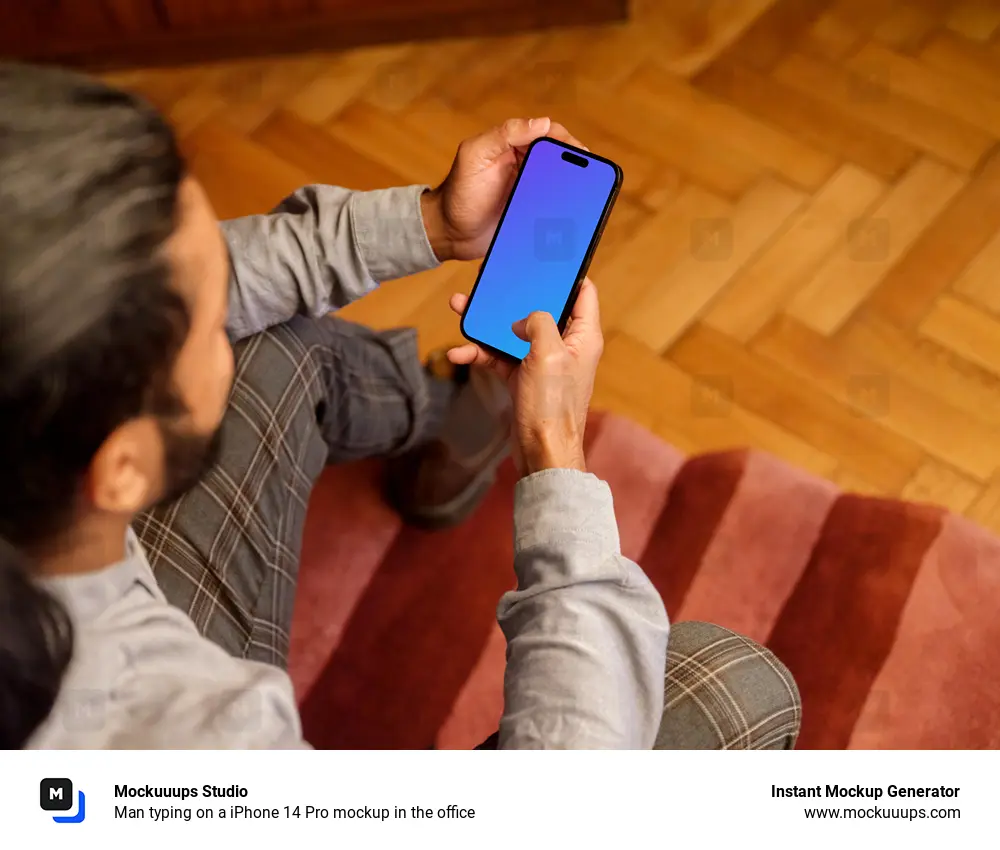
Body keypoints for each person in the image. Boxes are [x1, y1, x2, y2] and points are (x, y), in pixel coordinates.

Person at [0, 63, 800, 749]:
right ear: (122, 468)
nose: (226, 319)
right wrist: (554, 449)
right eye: (209, 326)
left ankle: (451, 437)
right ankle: (470, 427)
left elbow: (202, 284)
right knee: (738, 686)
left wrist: (433, 221)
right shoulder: (197, 740)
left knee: (277, 340)